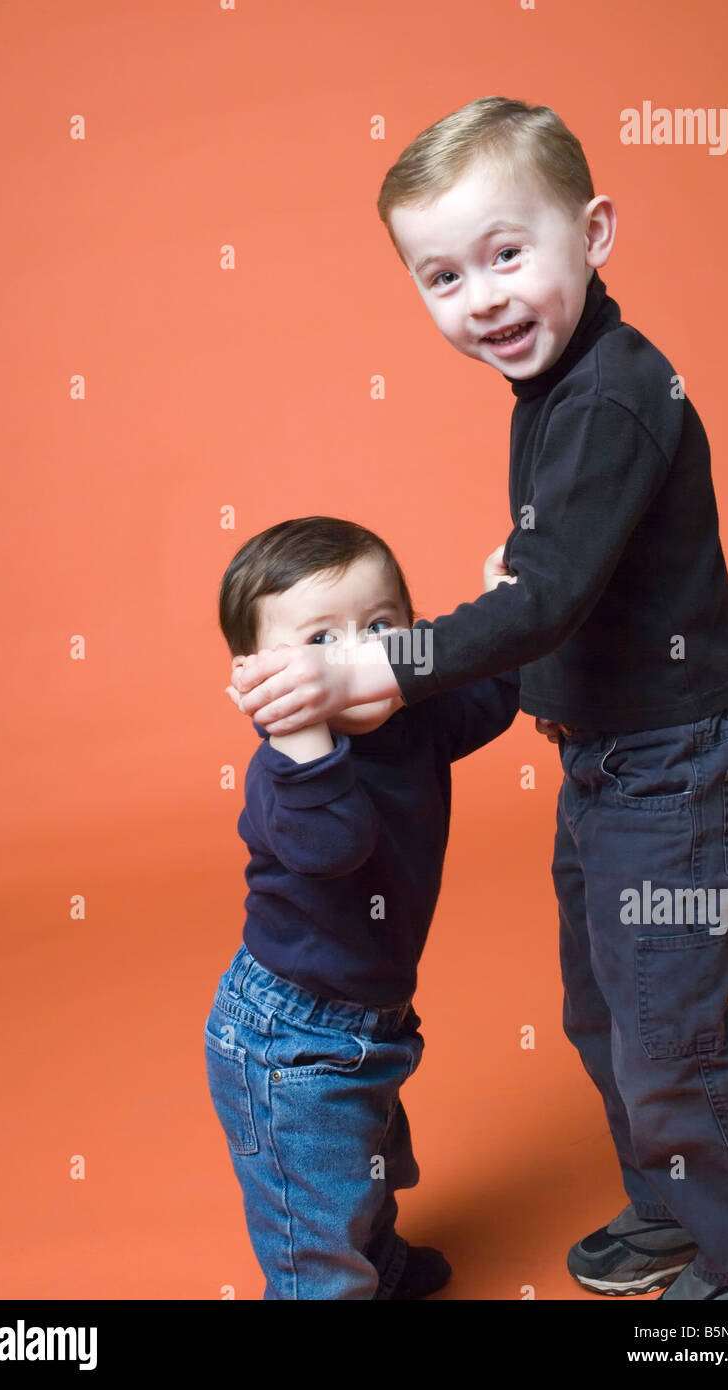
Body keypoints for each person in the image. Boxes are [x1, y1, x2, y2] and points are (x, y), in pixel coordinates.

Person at [233, 97, 728, 1300]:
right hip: (615, 762)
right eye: (442, 276)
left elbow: (543, 602)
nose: (481, 297)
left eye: (506, 254)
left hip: (681, 767)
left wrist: (378, 664)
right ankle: (672, 1205)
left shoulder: (604, 395)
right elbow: (559, 583)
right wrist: (512, 604)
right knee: (606, 1010)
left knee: (666, 1034)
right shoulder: (553, 390)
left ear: (592, 232)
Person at [205, 514, 520, 1299]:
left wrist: (504, 605)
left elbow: (491, 697)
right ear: (255, 674)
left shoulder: (415, 718)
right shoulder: (286, 771)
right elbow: (336, 844)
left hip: (370, 1019)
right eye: (319, 641)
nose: (354, 654)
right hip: (290, 1036)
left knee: (371, 1166)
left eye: (380, 626)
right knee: (317, 1217)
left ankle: (380, 1263)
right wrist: (301, 729)